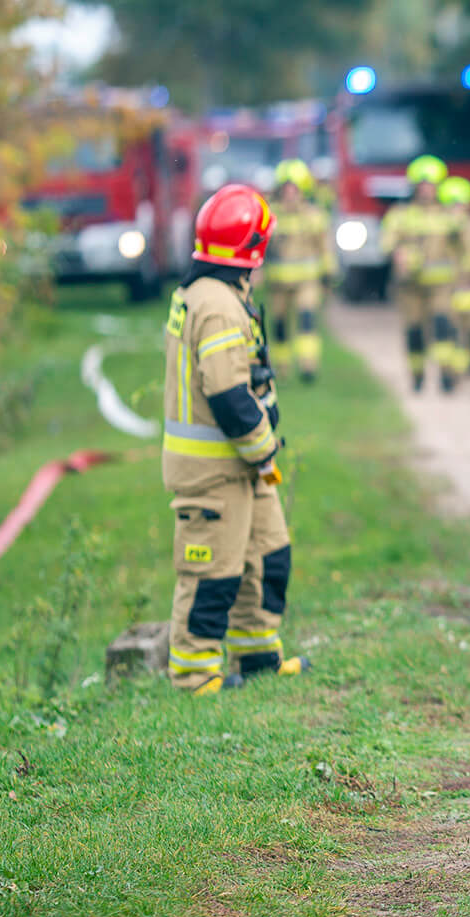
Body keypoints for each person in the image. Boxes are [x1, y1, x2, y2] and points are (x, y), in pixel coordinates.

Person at [163, 184, 310, 692]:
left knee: (268, 556)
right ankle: (194, 674)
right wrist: (262, 447)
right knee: (213, 573)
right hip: (215, 467)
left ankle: (258, 657)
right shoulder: (219, 305)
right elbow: (226, 392)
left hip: (240, 465)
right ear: (251, 248)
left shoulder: (216, 293)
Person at [379, 155, 463, 392]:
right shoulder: (400, 214)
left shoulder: (450, 215)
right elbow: (386, 242)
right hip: (410, 286)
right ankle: (417, 375)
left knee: (442, 325)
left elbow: (465, 242)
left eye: (431, 185)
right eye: (422, 185)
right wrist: (398, 253)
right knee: (414, 330)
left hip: (441, 285)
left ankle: (446, 374)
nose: (426, 190)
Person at [262, 159, 333, 384]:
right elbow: (261, 247)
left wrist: (328, 275)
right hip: (277, 283)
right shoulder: (270, 217)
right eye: (286, 189)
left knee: (307, 319)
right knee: (279, 324)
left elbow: (325, 248)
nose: (290, 194)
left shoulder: (314, 216)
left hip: (307, 281)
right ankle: (282, 368)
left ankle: (308, 366)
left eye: (295, 189)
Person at [438, 175, 470, 378]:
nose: (458, 209)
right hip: (450, 288)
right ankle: (450, 372)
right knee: (451, 332)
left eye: (461, 204)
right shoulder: (439, 229)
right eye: (453, 205)